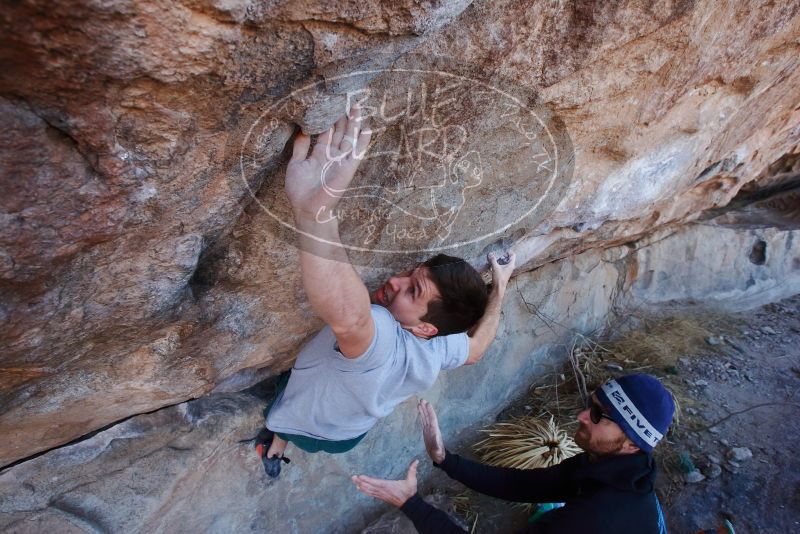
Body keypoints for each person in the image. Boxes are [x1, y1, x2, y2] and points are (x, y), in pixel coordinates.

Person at [257, 103, 517, 477]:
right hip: (348, 433)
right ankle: (279, 446)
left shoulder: (381, 336)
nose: (394, 282)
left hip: (304, 415)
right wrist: (501, 287)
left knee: (286, 400)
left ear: (424, 327)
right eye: (411, 274)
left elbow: (352, 319)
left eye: (413, 292)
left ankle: (276, 437)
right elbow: (476, 350)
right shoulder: (440, 345)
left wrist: (315, 215)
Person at [352, 374, 675, 534]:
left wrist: (410, 503)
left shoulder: (593, 518)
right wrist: (444, 459)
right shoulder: (610, 464)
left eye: (598, 415)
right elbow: (522, 485)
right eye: (591, 405)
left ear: (633, 443)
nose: (581, 415)